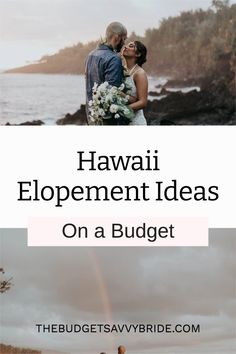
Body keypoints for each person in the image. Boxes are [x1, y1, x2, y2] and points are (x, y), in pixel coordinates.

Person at [85, 22, 128, 124]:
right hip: (107, 120)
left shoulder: (90, 55)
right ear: (117, 38)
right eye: (124, 39)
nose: (124, 43)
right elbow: (113, 95)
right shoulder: (114, 59)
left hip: (91, 116)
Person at [121, 41, 148, 125]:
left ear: (138, 54)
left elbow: (143, 102)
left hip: (135, 122)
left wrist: (121, 110)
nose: (125, 47)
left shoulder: (140, 73)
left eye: (131, 46)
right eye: (126, 45)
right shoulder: (120, 70)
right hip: (123, 121)